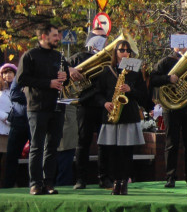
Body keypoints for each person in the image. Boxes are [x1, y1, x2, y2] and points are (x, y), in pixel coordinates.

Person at [19, 23, 81, 195]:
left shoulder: (58, 56)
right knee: (37, 147)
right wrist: (48, 82)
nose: (58, 38)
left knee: (52, 147)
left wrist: (65, 77)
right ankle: (35, 184)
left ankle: (49, 183)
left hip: (57, 106)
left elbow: (65, 80)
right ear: (44, 37)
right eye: (55, 35)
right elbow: (22, 79)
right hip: (38, 107)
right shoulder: (30, 55)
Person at [95, 40, 147, 195]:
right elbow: (97, 93)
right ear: (115, 52)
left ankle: (123, 182)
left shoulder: (135, 72)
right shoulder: (107, 72)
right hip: (112, 116)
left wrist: (130, 90)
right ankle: (114, 181)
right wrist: (104, 103)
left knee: (126, 152)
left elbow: (144, 96)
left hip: (128, 116)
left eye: (127, 50)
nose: (125, 53)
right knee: (111, 152)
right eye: (121, 50)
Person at [150, 38, 187, 188]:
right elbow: (152, 79)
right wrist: (168, 78)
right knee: (171, 142)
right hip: (171, 107)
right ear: (174, 45)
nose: (182, 46)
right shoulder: (166, 61)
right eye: (179, 43)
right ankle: (170, 177)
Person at [69, 32, 113, 189]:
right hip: (85, 104)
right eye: (97, 37)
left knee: (104, 143)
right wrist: (69, 69)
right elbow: (62, 67)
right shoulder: (79, 56)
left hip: (104, 105)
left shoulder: (109, 59)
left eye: (104, 38)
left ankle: (104, 178)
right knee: (83, 142)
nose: (101, 41)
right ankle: (81, 179)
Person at [2, 72, 29, 188]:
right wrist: (34, 98)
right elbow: (14, 95)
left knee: (36, 153)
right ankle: (9, 185)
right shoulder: (20, 77)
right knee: (12, 155)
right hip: (19, 120)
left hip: (36, 120)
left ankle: (35, 183)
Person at [0, 63, 15, 182]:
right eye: (5, 73)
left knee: (9, 159)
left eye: (10, 72)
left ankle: (8, 182)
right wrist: (6, 117)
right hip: (1, 129)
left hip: (14, 129)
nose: (8, 75)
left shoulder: (19, 89)